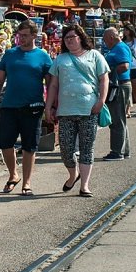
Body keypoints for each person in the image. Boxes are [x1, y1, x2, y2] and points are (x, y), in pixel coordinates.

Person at [0, 21, 53, 196]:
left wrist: (50, 105)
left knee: (29, 146)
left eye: (25, 35)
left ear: (34, 35)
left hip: (33, 106)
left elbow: (51, 83)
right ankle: (13, 174)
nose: (21, 39)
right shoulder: (10, 54)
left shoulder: (43, 56)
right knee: (5, 142)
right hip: (9, 104)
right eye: (19, 35)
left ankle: (27, 182)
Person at [46, 24, 109, 197]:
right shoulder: (60, 59)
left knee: (87, 148)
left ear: (80, 37)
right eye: (66, 38)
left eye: (72, 37)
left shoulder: (95, 56)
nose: (69, 41)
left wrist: (101, 101)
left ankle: (85, 185)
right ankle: (73, 175)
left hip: (89, 109)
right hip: (65, 110)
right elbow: (53, 85)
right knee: (65, 149)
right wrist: (49, 106)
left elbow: (104, 80)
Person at [99, 27, 134, 159]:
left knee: (116, 119)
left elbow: (125, 65)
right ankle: (123, 150)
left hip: (119, 86)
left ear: (111, 38)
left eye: (105, 39)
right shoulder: (118, 48)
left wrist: (109, 73)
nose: (104, 42)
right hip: (120, 85)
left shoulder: (120, 47)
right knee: (120, 119)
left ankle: (117, 151)